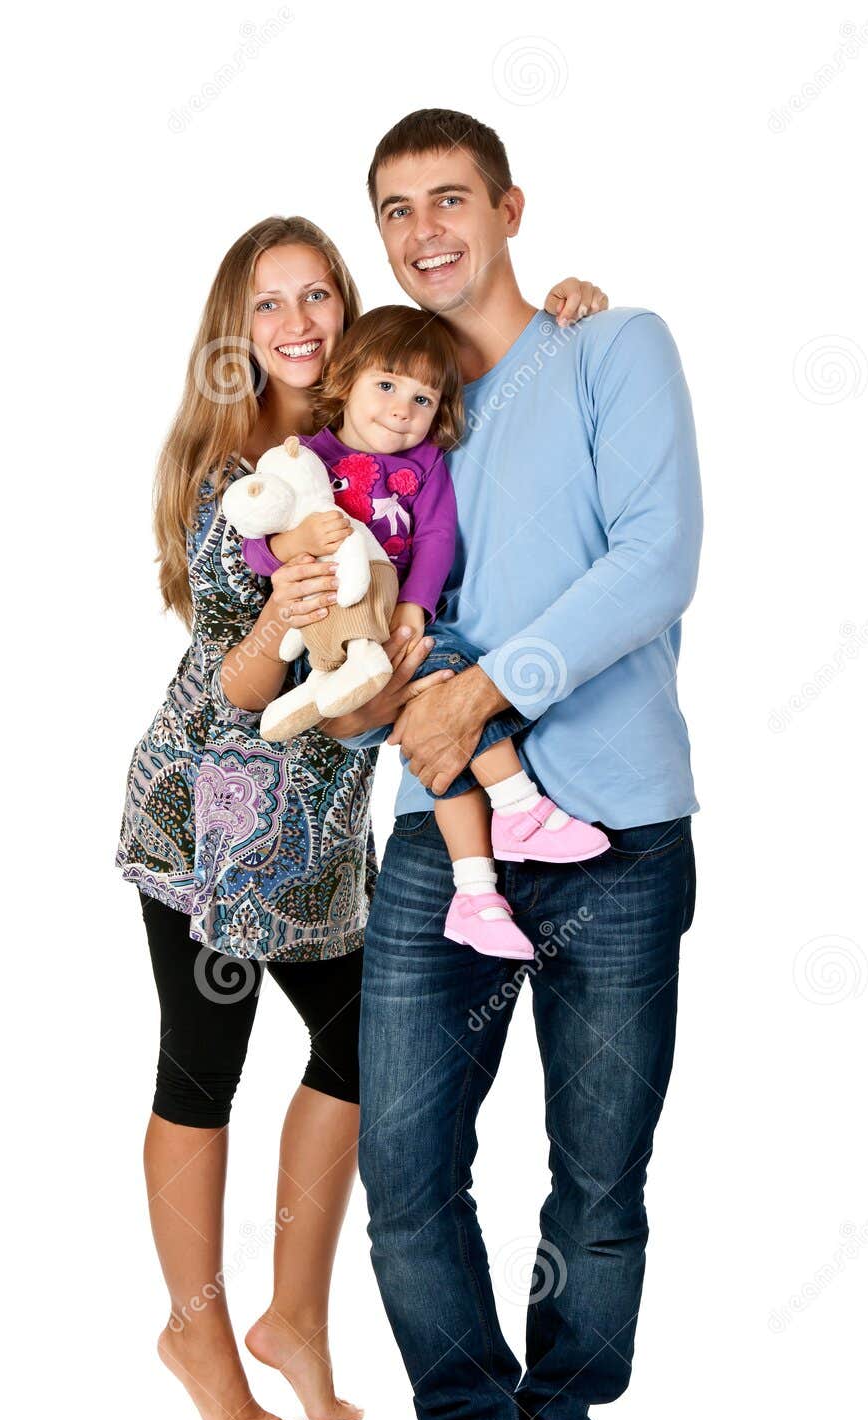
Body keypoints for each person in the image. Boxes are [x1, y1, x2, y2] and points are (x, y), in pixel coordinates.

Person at [116, 211, 608, 1420]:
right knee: (202, 1064)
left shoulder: (379, 432)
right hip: (208, 818)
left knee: (356, 1053)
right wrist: (282, 615)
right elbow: (227, 691)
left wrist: (565, 321)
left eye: (317, 297)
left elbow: (470, 384)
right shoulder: (243, 478)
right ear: (237, 336)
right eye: (269, 305)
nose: (298, 324)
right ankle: (195, 1324)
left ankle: (294, 1314)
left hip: (325, 834)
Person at [331, 109, 702, 1420]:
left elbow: (654, 556)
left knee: (597, 1162)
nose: (423, 231)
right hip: (444, 833)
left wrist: (485, 681)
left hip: (611, 826)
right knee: (404, 1159)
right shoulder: (395, 409)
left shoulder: (609, 347)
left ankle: (562, 1418)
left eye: (448, 199)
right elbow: (373, 623)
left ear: (507, 206)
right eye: (394, 210)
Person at [243, 304, 609, 965]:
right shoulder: (309, 460)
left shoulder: (424, 464)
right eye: (385, 385)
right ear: (347, 377)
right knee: (446, 682)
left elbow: (437, 537)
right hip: (335, 636)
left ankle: (474, 892)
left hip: (397, 623)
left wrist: (413, 607)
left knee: (437, 699)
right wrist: (295, 541)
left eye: (421, 397)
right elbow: (257, 547)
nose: (400, 409)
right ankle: (518, 804)